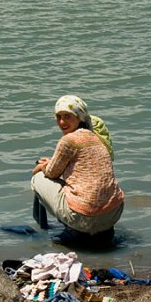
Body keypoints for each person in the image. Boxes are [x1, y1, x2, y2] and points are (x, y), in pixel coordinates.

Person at [31, 95, 124, 244]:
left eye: (67, 117)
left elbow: (52, 172)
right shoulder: (96, 138)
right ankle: (103, 232)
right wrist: (50, 162)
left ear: (79, 117)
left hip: (84, 218)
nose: (62, 122)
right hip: (112, 214)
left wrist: (42, 166)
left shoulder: (68, 140)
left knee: (38, 178)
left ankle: (50, 229)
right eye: (58, 117)